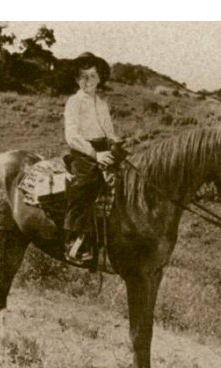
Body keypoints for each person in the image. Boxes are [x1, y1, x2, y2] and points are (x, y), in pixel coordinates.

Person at [63, 52, 122, 264]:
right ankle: (76, 240)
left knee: (128, 177)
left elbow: (108, 131)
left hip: (103, 148)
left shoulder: (102, 104)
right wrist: (95, 155)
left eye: (91, 76)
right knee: (86, 184)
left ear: (99, 79)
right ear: (77, 79)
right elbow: (72, 135)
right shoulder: (74, 102)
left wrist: (116, 144)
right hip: (83, 152)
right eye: (82, 77)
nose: (87, 81)